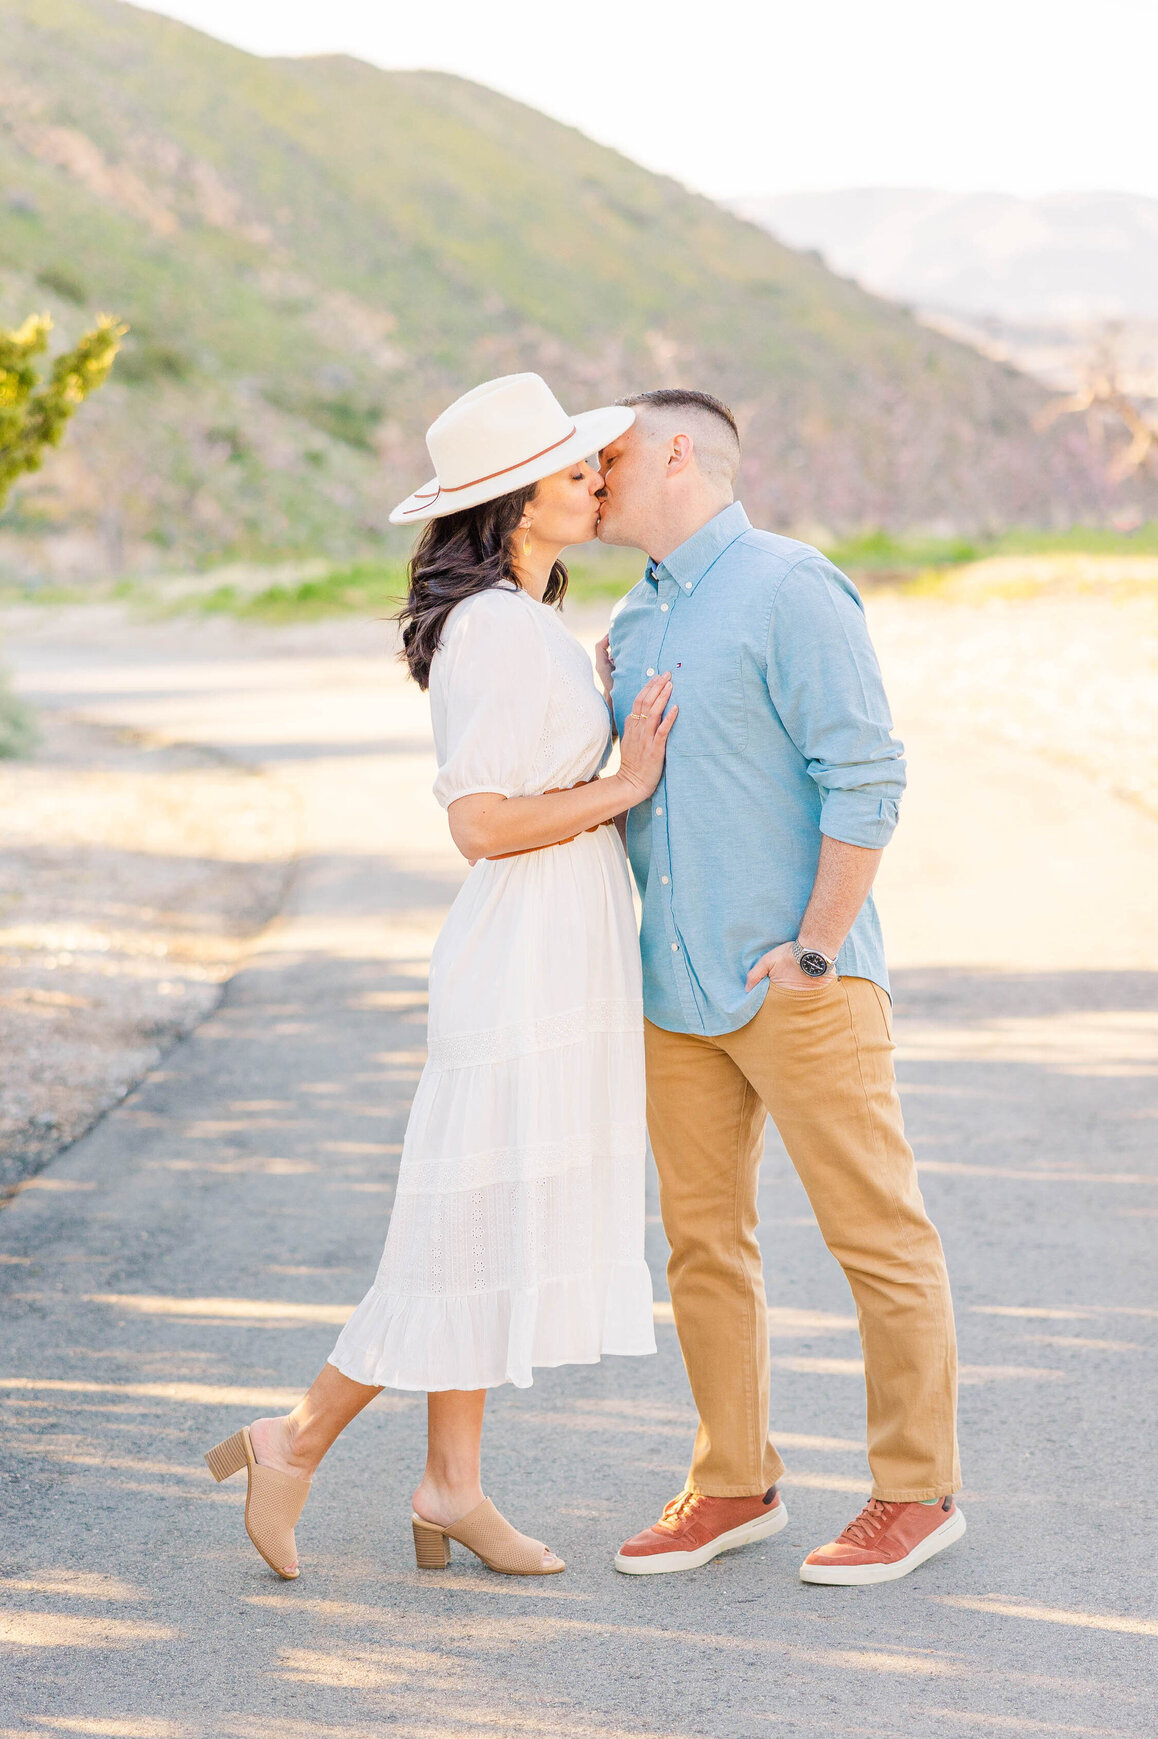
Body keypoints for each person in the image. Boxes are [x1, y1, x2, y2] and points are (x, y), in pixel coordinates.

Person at [204, 373, 675, 1581]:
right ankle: (292, 1439)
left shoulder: (526, 619)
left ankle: (451, 1485)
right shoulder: (492, 628)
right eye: (577, 469)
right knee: (459, 1224)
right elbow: (479, 823)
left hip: (554, 944)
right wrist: (623, 783)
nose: (597, 480)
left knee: (493, 1218)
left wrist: (606, 708)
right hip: (518, 951)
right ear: (518, 500)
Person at [595, 389, 964, 1586]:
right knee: (702, 1247)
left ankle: (916, 1494)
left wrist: (813, 950)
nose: (592, 479)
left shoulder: (792, 585)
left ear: (677, 453)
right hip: (673, 994)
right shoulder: (632, 621)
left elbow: (867, 775)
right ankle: (732, 1482)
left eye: (610, 459)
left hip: (801, 984)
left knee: (877, 1238)